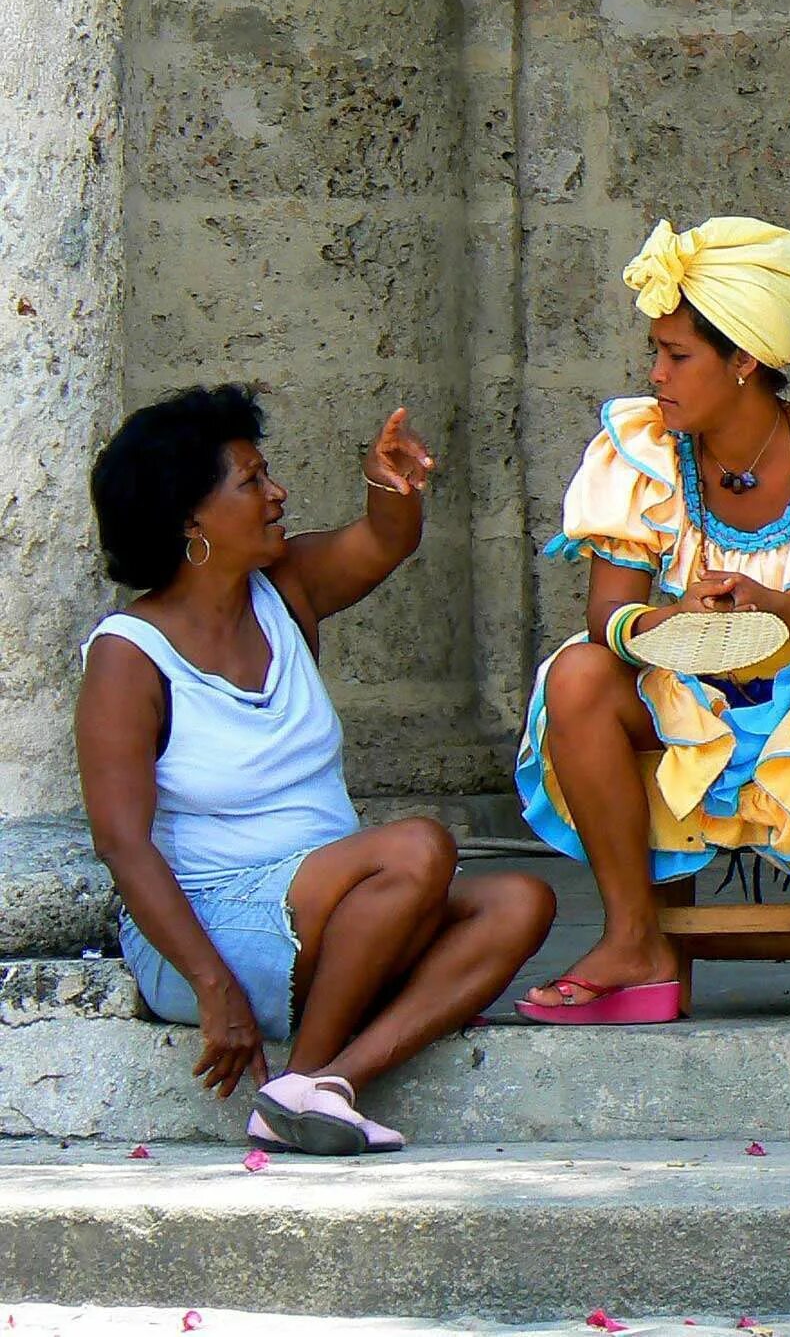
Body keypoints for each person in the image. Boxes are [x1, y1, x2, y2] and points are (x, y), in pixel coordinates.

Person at [76, 385, 556, 1156]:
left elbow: (381, 539)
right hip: (204, 929)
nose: (277, 494)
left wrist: (389, 483)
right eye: (252, 481)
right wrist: (210, 983)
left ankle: (322, 1083)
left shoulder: (282, 589)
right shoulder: (129, 656)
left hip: (339, 913)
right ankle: (299, 1083)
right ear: (190, 519)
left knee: (520, 900)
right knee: (417, 847)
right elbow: (122, 845)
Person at [515, 216, 790, 1029]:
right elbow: (606, 616)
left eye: (676, 356)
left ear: (744, 361)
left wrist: (783, 610)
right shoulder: (641, 453)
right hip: (683, 697)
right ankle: (633, 940)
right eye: (654, 353)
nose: (656, 375)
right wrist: (671, 617)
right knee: (578, 672)